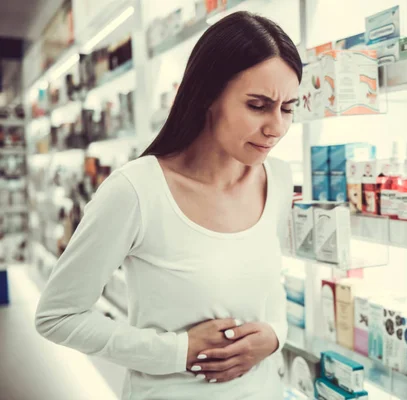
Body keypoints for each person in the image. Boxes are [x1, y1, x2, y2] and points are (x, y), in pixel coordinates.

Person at [35, 11, 301, 400]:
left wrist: (276, 335)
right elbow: (57, 316)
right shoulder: (136, 190)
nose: (276, 127)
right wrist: (178, 351)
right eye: (258, 105)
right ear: (208, 95)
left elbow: (268, 289)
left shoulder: (277, 178)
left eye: (288, 108)